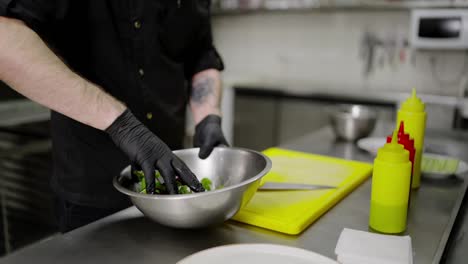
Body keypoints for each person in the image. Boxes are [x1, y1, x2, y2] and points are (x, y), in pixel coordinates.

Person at [0, 0, 228, 232]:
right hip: (92, 191)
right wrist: (123, 126)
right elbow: (5, 39)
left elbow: (200, 54)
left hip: (172, 186)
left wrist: (208, 116)